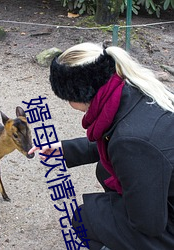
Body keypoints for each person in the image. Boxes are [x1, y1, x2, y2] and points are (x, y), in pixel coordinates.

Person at [28, 42, 174, 250]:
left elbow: (149, 224)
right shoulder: (135, 89)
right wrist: (65, 150)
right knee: (105, 170)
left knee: (84, 219)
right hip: (165, 188)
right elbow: (118, 139)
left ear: (79, 93)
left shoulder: (131, 142)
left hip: (165, 224)